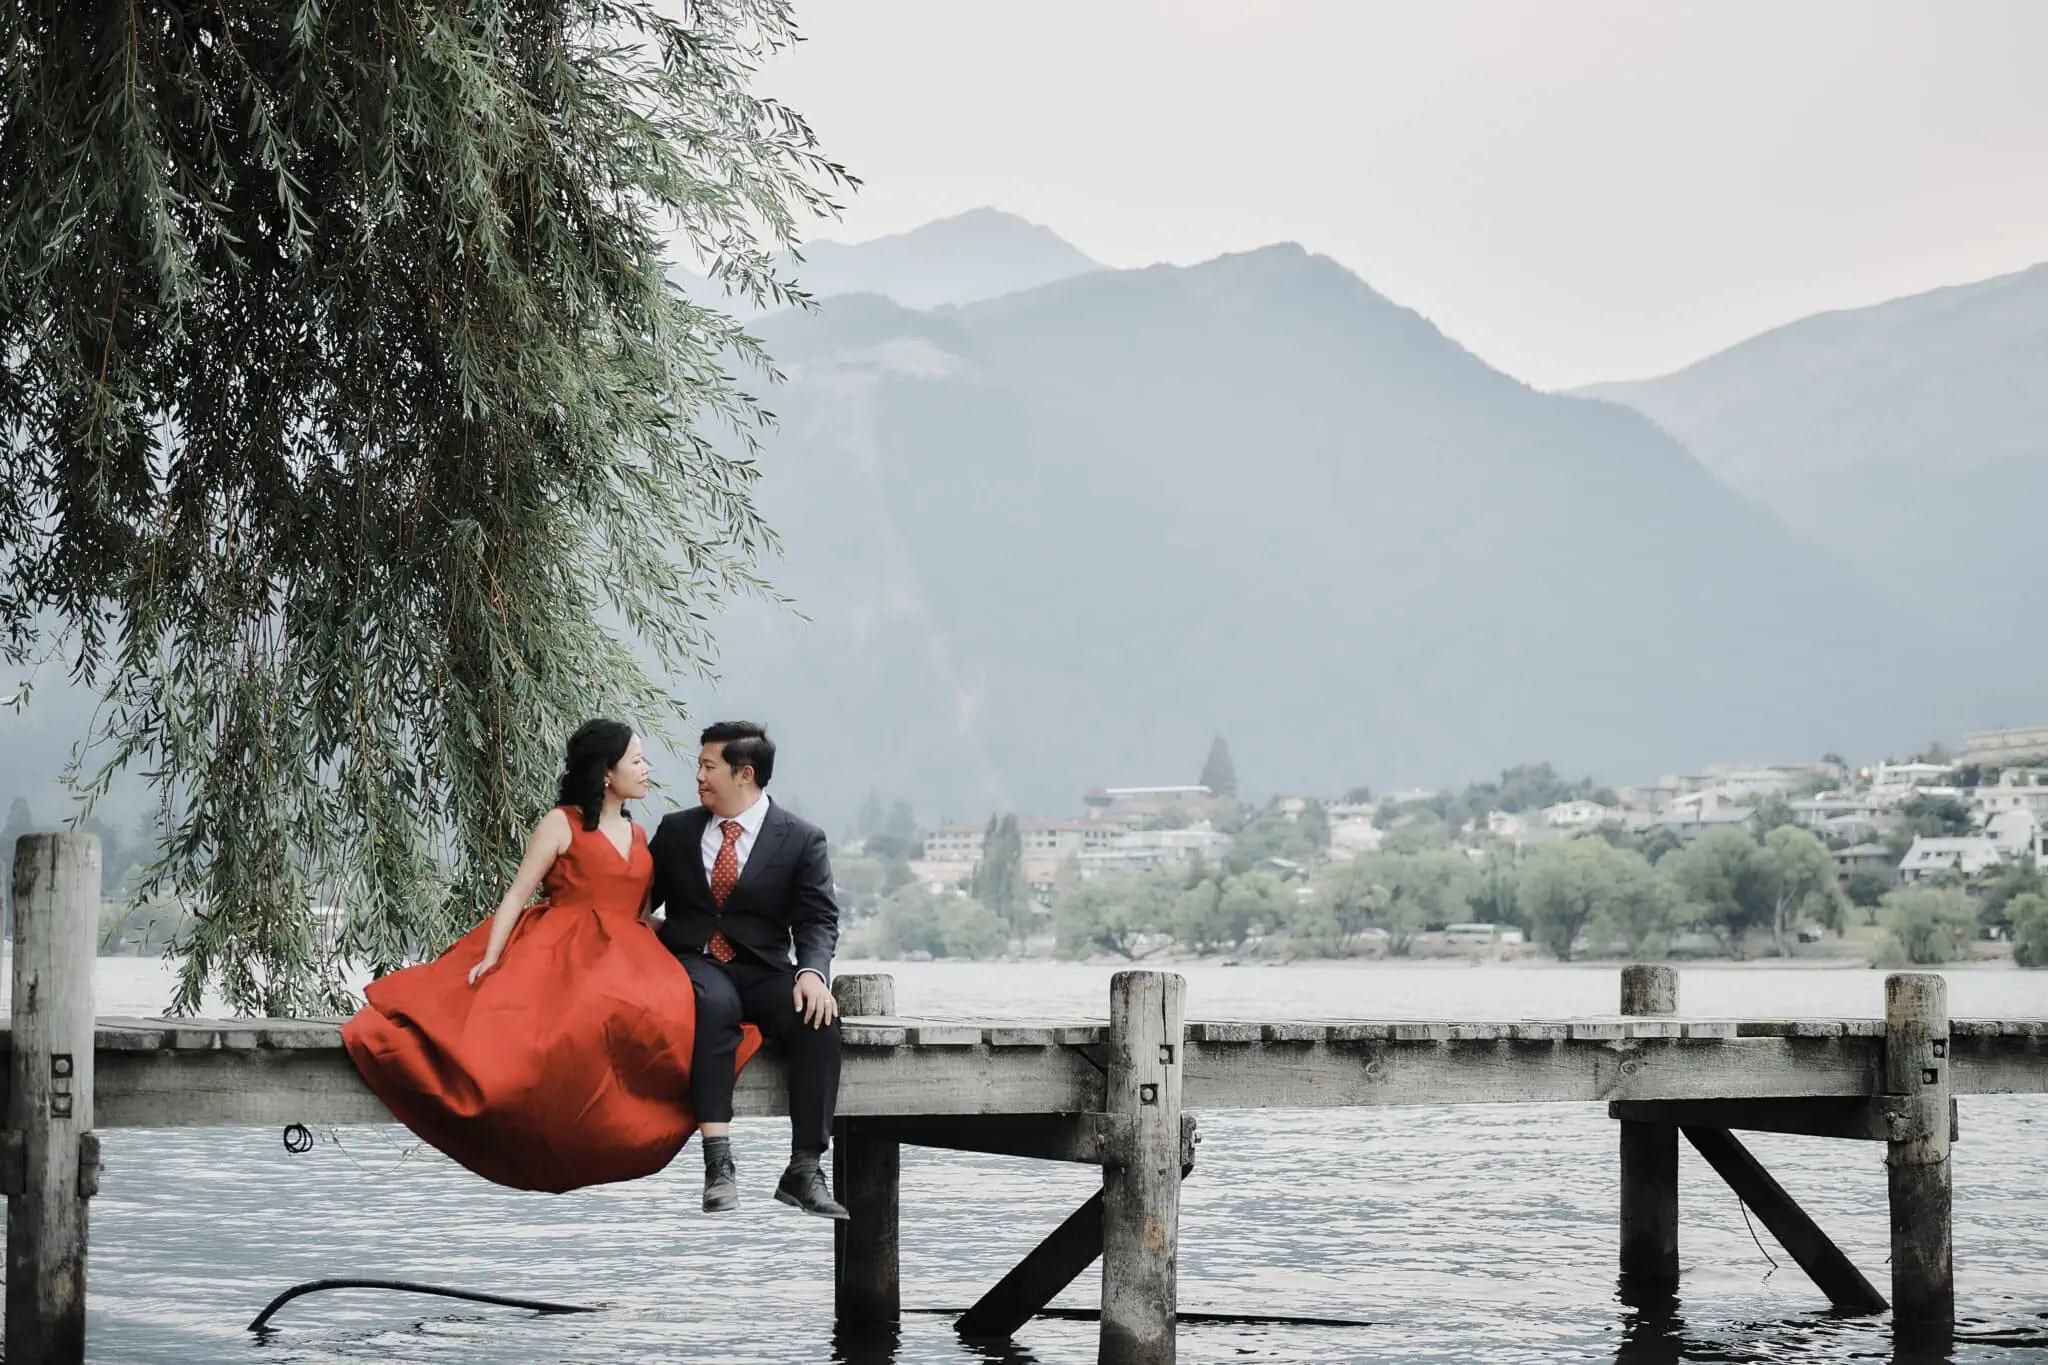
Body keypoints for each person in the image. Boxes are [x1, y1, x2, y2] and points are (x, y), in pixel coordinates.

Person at [341, 719, 762, 1193]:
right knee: (560, 1027)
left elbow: (643, 915)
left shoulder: (639, 835)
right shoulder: (561, 823)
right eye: (637, 761)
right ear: (607, 772)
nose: (647, 770)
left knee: (671, 1014)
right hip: (566, 947)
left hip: (632, 951)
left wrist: (707, 935)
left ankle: (636, 1126)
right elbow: (517, 895)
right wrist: (491, 956)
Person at [647, 720, 847, 1219]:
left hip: (763, 967)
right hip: (693, 960)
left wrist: (813, 974)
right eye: (698, 765)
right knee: (714, 1005)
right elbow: (638, 900)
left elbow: (818, 918)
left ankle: (804, 1168)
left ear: (745, 774)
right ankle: (719, 1167)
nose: (697, 776)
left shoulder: (801, 839)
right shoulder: (677, 830)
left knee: (818, 1019)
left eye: (707, 766)